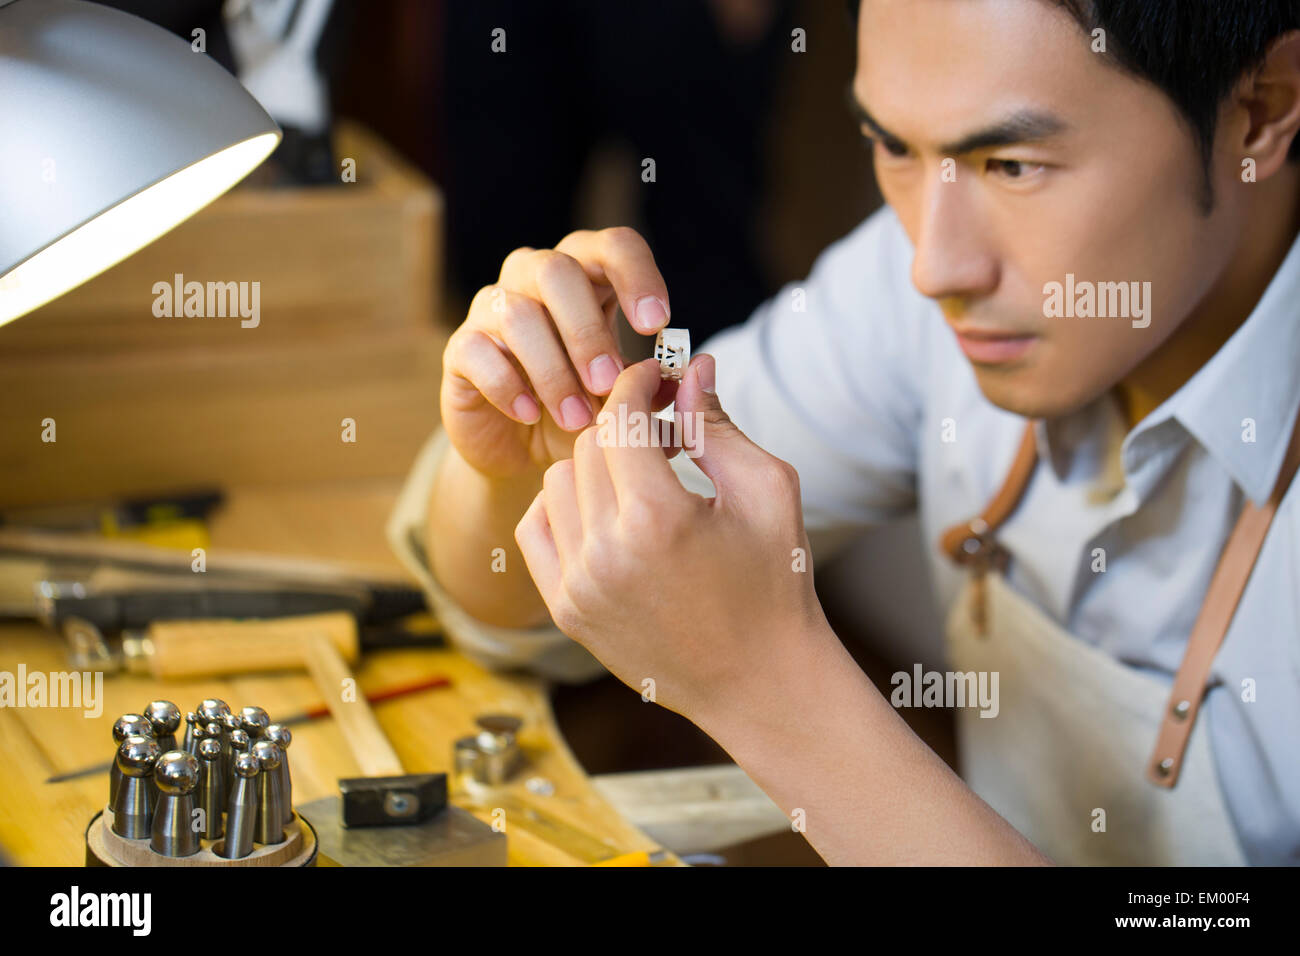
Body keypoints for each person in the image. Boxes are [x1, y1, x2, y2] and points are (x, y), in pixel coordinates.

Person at [388, 0, 1300, 865]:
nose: (935, 265)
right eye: (893, 147)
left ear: (1261, 111)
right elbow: (511, 609)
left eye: (1014, 166)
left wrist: (765, 683)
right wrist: (521, 453)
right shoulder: (909, 298)